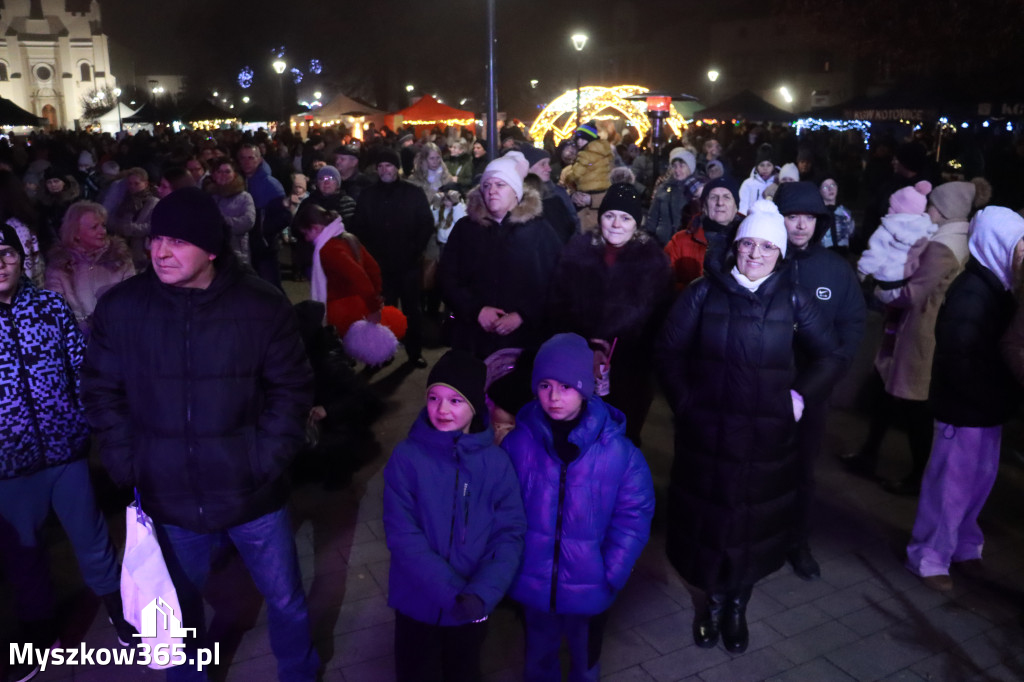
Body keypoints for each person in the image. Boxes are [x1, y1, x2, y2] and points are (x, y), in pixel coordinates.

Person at [82, 187, 319, 682]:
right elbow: (103, 394)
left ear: (211, 247)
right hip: (168, 496)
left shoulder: (261, 305)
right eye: (156, 239)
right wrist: (132, 464)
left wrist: (264, 458)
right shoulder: (122, 309)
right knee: (177, 611)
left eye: (178, 241)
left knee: (286, 599)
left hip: (251, 493)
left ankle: (299, 673)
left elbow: (291, 389)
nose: (160, 252)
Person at [656, 201, 839, 653]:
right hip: (709, 433)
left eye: (766, 247)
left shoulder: (793, 298)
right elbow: (668, 351)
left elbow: (830, 355)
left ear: (781, 253)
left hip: (766, 438)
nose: (755, 254)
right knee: (711, 520)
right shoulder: (702, 292)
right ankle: (713, 603)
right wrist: (686, 402)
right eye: (748, 244)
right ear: (735, 247)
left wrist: (797, 397)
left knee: (751, 525)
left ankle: (738, 604)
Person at [0, 224, 137, 682]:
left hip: (65, 451)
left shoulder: (49, 306)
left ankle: (121, 613)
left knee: (92, 539)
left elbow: (82, 366)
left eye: (6, 252)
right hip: (8, 465)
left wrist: (89, 422)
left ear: (22, 258)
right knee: (24, 554)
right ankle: (40, 632)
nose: (0, 263)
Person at [502, 332, 655, 681]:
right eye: (545, 385)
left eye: (567, 387)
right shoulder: (519, 443)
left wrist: (611, 571)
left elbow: (634, 514)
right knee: (538, 655)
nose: (554, 397)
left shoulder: (618, 452)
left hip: (591, 587)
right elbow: (503, 507)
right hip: (533, 584)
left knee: (585, 659)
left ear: (585, 388)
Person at [383, 350, 526, 681]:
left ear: (475, 406)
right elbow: (403, 534)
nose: (442, 409)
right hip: (416, 602)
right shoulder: (407, 458)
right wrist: (452, 594)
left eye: (455, 400)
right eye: (434, 397)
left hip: (472, 604)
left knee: (463, 670)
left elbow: (509, 533)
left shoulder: (496, 463)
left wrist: (482, 593)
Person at [906, 206, 1024, 592]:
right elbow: (958, 358)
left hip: (986, 408)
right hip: (964, 411)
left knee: (977, 485)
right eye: (1019, 245)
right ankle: (929, 556)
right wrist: (989, 396)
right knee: (949, 489)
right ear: (998, 244)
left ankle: (963, 548)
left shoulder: (1000, 287)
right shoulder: (972, 292)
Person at [843, 180, 986, 494]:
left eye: (933, 204)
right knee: (887, 393)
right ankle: (871, 454)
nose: (928, 208)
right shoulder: (960, 239)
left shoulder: (942, 246)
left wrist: (880, 292)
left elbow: (914, 293)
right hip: (920, 332)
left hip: (919, 334)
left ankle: (918, 477)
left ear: (945, 211)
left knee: (914, 407)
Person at [773, 182, 866, 580]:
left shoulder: (835, 270)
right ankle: (754, 538)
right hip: (760, 385)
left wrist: (818, 382)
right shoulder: (764, 257)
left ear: (820, 222)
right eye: (792, 216)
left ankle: (796, 540)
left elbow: (851, 330)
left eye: (808, 218)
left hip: (811, 391)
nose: (799, 226)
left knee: (802, 470)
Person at [546, 183, 673, 444]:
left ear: (636, 223)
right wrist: (587, 346)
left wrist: (623, 352)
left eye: (625, 218)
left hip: (630, 372)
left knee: (620, 438)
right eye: (610, 215)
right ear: (600, 217)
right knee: (576, 436)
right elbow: (557, 308)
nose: (616, 224)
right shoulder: (575, 254)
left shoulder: (654, 264)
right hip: (576, 365)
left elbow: (660, 324)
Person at [439, 154, 562, 358]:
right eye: (486, 185)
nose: (491, 191)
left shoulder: (539, 231)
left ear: (516, 191)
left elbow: (556, 282)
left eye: (500, 185)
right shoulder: (466, 229)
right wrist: (476, 310)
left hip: (524, 341)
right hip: (473, 339)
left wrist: (523, 315)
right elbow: (446, 278)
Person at [351, 148, 435, 367]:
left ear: (396, 168)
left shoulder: (413, 193)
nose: (383, 170)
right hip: (379, 265)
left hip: (408, 263)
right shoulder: (369, 195)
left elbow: (425, 223)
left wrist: (415, 250)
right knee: (383, 311)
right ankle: (383, 352)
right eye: (380, 166)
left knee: (411, 310)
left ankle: (414, 352)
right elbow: (358, 226)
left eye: (388, 165)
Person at [44, 201, 134, 335]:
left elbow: (133, 299)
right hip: (78, 340)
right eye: (94, 227)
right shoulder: (59, 266)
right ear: (75, 233)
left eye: (103, 226)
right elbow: (55, 310)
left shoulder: (120, 259)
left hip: (119, 335)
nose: (102, 231)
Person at [664, 175, 743, 291]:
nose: (720, 202)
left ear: (736, 206)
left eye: (727, 197)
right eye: (713, 197)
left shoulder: (750, 241)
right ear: (704, 206)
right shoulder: (680, 242)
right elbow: (662, 281)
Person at [238, 143, 291, 289]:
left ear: (259, 159)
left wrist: (262, 232)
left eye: (251, 158)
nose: (246, 162)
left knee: (271, 287)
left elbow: (284, 216)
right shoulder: (237, 182)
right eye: (243, 158)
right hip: (245, 247)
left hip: (264, 247)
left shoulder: (271, 185)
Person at [561, 121, 614, 233]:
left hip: (590, 213)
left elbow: (575, 175)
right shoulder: (606, 155)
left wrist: (568, 177)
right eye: (578, 139)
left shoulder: (584, 155)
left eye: (583, 139)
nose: (579, 142)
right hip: (601, 217)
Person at [107, 167, 158, 271]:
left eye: (136, 183)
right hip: (121, 248)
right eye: (130, 183)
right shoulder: (123, 200)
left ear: (145, 183)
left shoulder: (153, 202)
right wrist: (119, 226)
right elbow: (111, 219)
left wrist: (130, 228)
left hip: (140, 251)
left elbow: (151, 226)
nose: (132, 187)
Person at [207, 158, 256, 265]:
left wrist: (222, 223)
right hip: (213, 252)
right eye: (219, 171)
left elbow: (248, 221)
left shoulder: (244, 197)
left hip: (237, 252)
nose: (223, 175)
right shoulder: (210, 196)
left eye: (227, 171)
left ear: (234, 174)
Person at [648, 147, 698, 246]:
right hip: (662, 244)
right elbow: (652, 217)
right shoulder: (664, 188)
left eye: (681, 166)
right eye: (674, 166)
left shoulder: (697, 189)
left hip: (685, 245)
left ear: (690, 167)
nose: (677, 170)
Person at [738, 144, 776, 215]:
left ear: (773, 167)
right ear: (757, 166)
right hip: (752, 220)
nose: (765, 168)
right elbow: (743, 207)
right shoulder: (748, 184)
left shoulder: (778, 183)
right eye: (762, 165)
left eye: (769, 165)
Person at [819, 176, 854, 251]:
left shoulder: (845, 212)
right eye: (825, 187)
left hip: (843, 253)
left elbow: (851, 233)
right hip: (823, 253)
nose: (830, 189)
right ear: (820, 191)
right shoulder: (818, 213)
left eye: (832, 185)